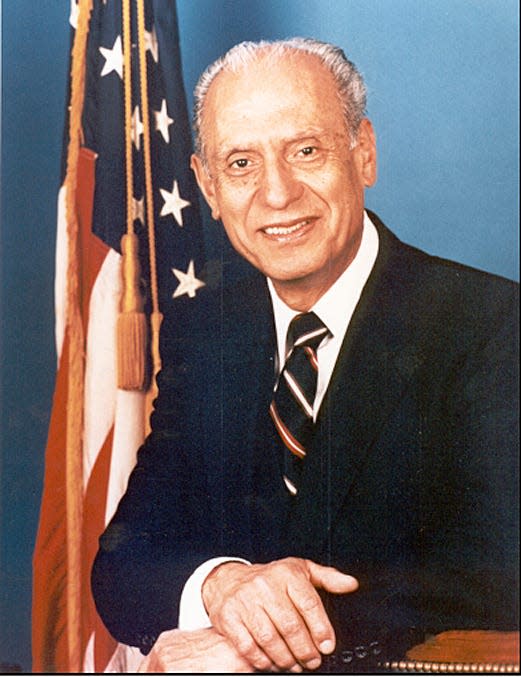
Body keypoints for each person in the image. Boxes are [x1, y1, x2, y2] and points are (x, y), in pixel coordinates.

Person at [92, 38, 519, 673]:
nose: (278, 194)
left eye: (306, 150)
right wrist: (222, 587)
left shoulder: (490, 325)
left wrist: (253, 639)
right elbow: (125, 563)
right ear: (207, 185)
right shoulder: (204, 328)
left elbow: (499, 572)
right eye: (241, 163)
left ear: (364, 152)